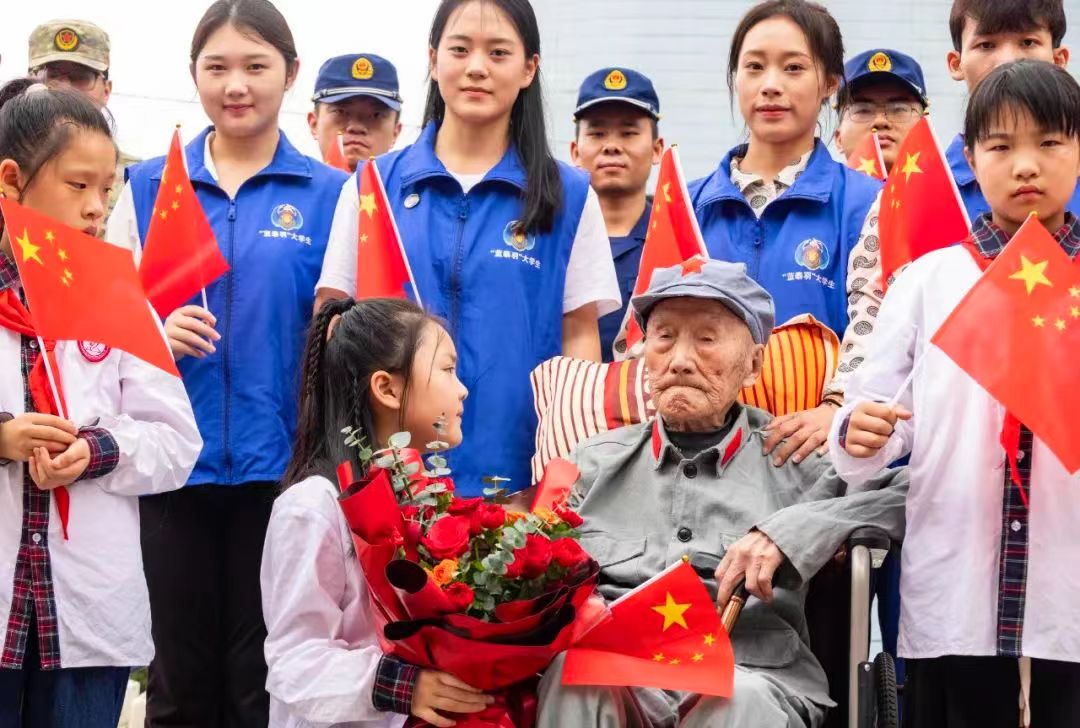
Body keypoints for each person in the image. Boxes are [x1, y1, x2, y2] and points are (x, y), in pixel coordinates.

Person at [105, 0, 349, 724]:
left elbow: (348, 331)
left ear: (291, 74)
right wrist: (154, 330)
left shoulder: (332, 195)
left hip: (284, 471)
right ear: (195, 76)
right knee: (177, 679)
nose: (235, 85)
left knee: (263, 676)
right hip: (169, 468)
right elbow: (102, 326)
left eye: (255, 66)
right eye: (216, 68)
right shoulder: (148, 187)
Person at [535, 258, 908, 727]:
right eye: (664, 337)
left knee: (735, 701)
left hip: (752, 673)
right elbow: (530, 570)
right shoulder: (590, 464)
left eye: (706, 339)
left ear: (753, 365)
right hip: (617, 671)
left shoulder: (796, 457)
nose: (680, 359)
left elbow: (912, 493)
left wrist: (789, 532)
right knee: (572, 675)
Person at [830, 60, 1080, 727]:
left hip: (1068, 589)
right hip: (956, 589)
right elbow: (875, 419)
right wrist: (861, 431)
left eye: (1050, 143)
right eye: (1001, 146)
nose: (1025, 165)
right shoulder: (927, 280)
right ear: (970, 158)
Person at [315, 0, 620, 501]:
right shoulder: (374, 186)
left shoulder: (569, 195)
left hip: (518, 481)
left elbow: (579, 337)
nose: (477, 67)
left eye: (498, 52)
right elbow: (332, 321)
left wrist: (564, 469)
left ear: (529, 69)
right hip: (386, 482)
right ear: (433, 60)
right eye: (460, 49)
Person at [0, 79, 200, 726]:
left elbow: (175, 442)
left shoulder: (117, 299)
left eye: (107, 189)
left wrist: (96, 450)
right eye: (77, 185)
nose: (96, 207)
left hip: (87, 617)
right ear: (11, 181)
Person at [262, 297, 495, 728]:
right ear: (387, 389)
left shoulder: (425, 501)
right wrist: (404, 686)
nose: (462, 388)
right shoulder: (312, 506)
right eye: (447, 369)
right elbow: (294, 661)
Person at [687, 0, 881, 469]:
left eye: (793, 68)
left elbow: (878, 322)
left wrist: (837, 410)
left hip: (817, 460)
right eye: (754, 67)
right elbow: (644, 337)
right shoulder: (688, 206)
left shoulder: (867, 202)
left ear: (830, 83)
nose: (770, 84)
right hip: (700, 458)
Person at [945, 0, 1075, 219]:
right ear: (956, 64)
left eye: (1028, 42)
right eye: (986, 45)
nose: (1008, 61)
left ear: (1058, 59)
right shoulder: (922, 188)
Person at [569, 66, 663, 361]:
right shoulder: (553, 238)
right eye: (597, 133)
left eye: (628, 133)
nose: (611, 146)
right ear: (575, 152)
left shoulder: (674, 241)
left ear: (657, 149)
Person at [26, 19, 139, 219]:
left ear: (106, 90)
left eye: (81, 77)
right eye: (52, 75)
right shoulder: (6, 162)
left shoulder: (134, 183)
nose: (65, 88)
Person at [308, 53, 403, 173]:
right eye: (341, 112)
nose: (356, 128)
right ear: (314, 124)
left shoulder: (415, 185)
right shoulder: (289, 184)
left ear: (395, 132)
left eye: (376, 115)